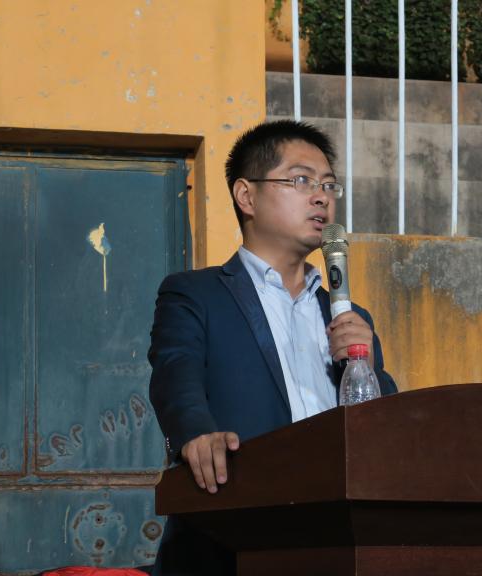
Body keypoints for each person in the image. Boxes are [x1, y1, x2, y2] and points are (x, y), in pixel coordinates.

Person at [147, 119, 398, 575]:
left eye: (328, 185)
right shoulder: (195, 294)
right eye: (301, 180)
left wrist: (369, 368)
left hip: (337, 544)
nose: (321, 197)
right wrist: (194, 435)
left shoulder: (349, 318)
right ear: (247, 196)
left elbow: (382, 430)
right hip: (232, 537)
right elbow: (175, 374)